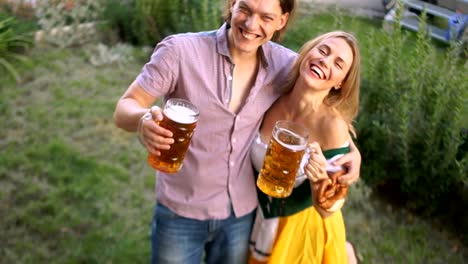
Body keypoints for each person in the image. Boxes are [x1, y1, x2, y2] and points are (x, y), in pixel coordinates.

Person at [113, 0, 361, 263]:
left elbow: (320, 104)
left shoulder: (285, 65)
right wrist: (141, 121)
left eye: (266, 17)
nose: (251, 24)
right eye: (245, 9)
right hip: (181, 210)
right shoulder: (180, 51)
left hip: (241, 215)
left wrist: (352, 152)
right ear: (232, 4)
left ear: (281, 21)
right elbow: (124, 108)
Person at [249, 31, 361, 263]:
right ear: (309, 50)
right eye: (323, 50)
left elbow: (329, 208)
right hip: (259, 218)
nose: (325, 60)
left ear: (340, 82)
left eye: (338, 64)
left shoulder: (332, 126)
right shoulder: (272, 93)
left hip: (304, 231)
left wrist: (319, 181)